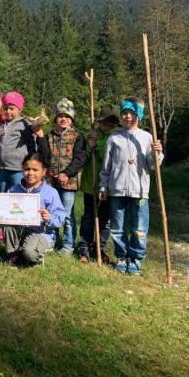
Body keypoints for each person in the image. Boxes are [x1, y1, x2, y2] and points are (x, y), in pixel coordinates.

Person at [99, 97, 163, 275]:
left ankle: (135, 258)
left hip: (140, 191)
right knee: (117, 227)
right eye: (125, 113)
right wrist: (103, 187)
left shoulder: (147, 137)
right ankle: (121, 255)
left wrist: (157, 153)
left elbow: (152, 165)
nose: (127, 117)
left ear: (139, 116)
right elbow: (106, 166)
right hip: (117, 189)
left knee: (139, 228)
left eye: (132, 114)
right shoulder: (114, 137)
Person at [35, 98, 86, 256]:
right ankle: (52, 239)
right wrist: (41, 137)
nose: (64, 118)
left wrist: (67, 173)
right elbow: (45, 156)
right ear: (56, 117)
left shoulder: (77, 136)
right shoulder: (50, 136)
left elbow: (80, 158)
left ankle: (68, 244)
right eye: (60, 115)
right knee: (50, 212)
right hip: (51, 182)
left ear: (72, 119)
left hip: (68, 183)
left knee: (67, 214)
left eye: (67, 116)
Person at [4, 153, 66, 266]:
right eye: (27, 169)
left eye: (35, 170)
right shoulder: (14, 189)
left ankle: (30, 254)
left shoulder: (51, 192)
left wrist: (49, 217)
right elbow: (6, 211)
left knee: (29, 254)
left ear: (43, 171)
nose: (30, 173)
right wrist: (0, 213)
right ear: (22, 169)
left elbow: (61, 219)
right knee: (8, 222)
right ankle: (12, 254)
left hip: (41, 233)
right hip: (20, 231)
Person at [77, 105, 120, 263]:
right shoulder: (91, 135)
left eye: (111, 124)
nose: (107, 127)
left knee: (105, 219)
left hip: (109, 186)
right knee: (88, 216)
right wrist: (90, 144)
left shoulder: (116, 137)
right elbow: (84, 157)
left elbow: (107, 155)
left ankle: (99, 247)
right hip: (90, 184)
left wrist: (98, 144)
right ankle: (84, 246)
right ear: (100, 122)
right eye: (104, 123)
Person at [0, 91, 36, 193]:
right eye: (6, 108)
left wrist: (30, 164)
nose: (8, 111)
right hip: (1, 168)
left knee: (19, 196)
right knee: (2, 196)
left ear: (19, 110)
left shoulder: (24, 124)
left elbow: (32, 145)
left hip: (18, 169)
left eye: (12, 108)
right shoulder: (0, 126)